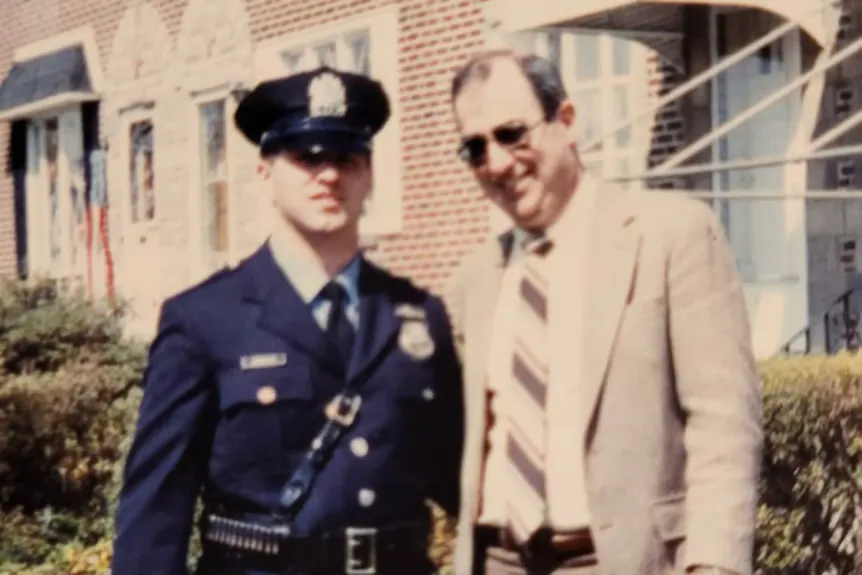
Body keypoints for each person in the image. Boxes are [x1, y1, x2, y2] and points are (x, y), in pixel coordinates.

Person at [111, 66, 464, 575]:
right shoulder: (204, 321)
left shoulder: (416, 316)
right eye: (307, 158)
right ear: (264, 172)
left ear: (369, 174)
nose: (329, 175)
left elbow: (461, 480)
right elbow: (155, 512)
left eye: (346, 158)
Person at [447, 50, 763, 575]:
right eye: (475, 148)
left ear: (565, 121)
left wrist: (714, 564)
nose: (498, 162)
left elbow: (723, 422)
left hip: (616, 559)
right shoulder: (474, 278)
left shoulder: (669, 236)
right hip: (499, 560)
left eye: (511, 134)